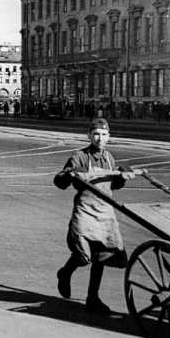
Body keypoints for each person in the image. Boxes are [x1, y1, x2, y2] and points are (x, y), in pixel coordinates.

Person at [53, 118, 135, 314]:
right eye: (96, 134)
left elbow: (114, 185)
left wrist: (122, 176)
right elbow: (60, 182)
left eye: (104, 135)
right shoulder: (80, 156)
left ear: (109, 137)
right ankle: (65, 273)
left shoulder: (109, 158)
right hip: (85, 209)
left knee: (102, 256)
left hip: (105, 210)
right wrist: (71, 173)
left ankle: (93, 298)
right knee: (83, 256)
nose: (100, 138)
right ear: (89, 136)